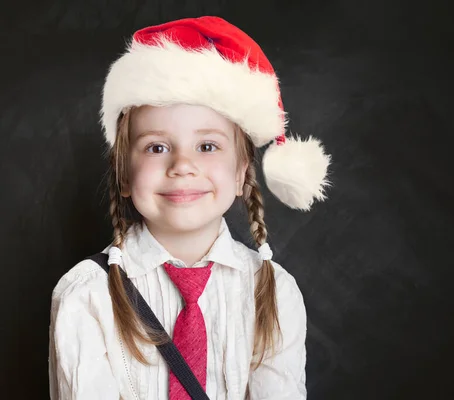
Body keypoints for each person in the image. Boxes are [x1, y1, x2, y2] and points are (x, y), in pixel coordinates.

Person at [48, 16, 331, 400]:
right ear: (126, 176)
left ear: (241, 174)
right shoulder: (87, 295)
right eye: (156, 147)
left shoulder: (274, 293)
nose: (182, 165)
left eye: (207, 146)